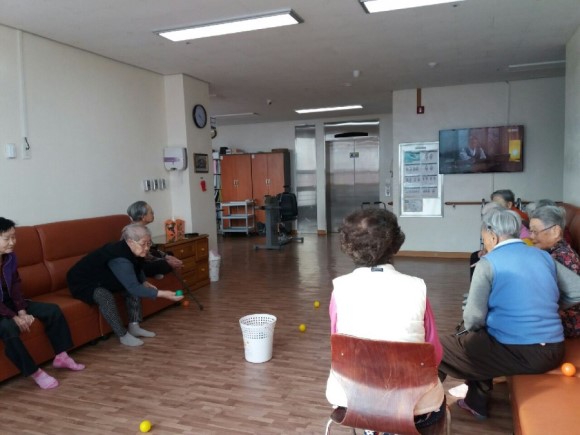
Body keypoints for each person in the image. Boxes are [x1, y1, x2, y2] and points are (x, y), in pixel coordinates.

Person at [439, 208, 567, 419]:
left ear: (492, 236)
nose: (484, 245)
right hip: (554, 349)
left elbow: (473, 319)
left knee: (435, 348)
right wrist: (546, 305)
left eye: (484, 239)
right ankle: (474, 401)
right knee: (477, 339)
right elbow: (576, 290)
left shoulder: (489, 262)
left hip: (523, 352)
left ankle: (426, 413)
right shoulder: (543, 256)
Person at [326, 208, 445, 433]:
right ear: (396, 244)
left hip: (354, 401)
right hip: (416, 408)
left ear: (348, 248)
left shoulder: (340, 289)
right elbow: (435, 354)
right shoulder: (417, 288)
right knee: (433, 399)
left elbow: (338, 347)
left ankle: (373, 428)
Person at [0, 217, 84, 389]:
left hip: (9, 302)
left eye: (14, 237)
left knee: (52, 310)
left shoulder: (10, 258)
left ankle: (61, 356)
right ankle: (35, 373)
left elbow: (15, 284)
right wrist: (14, 317)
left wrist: (21, 310)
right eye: (7, 238)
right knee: (8, 328)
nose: (12, 242)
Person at [67, 223, 183, 347]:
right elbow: (133, 287)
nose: (147, 248)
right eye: (143, 244)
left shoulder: (134, 250)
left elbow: (137, 266)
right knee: (105, 296)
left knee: (133, 288)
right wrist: (163, 293)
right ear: (130, 242)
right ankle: (122, 335)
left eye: (149, 243)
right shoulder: (120, 259)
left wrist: (144, 281)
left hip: (105, 277)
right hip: (82, 281)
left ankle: (134, 327)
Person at [126, 201, 183, 277]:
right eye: (151, 212)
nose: (153, 214)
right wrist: (166, 261)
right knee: (164, 264)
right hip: (138, 264)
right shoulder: (133, 232)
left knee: (169, 254)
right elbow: (144, 255)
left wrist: (166, 256)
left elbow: (151, 249)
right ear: (143, 217)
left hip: (145, 258)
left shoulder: (143, 229)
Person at [529, 205, 580, 275]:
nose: (531, 236)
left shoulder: (562, 259)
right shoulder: (549, 251)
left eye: (535, 231)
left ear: (555, 231)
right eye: (531, 231)